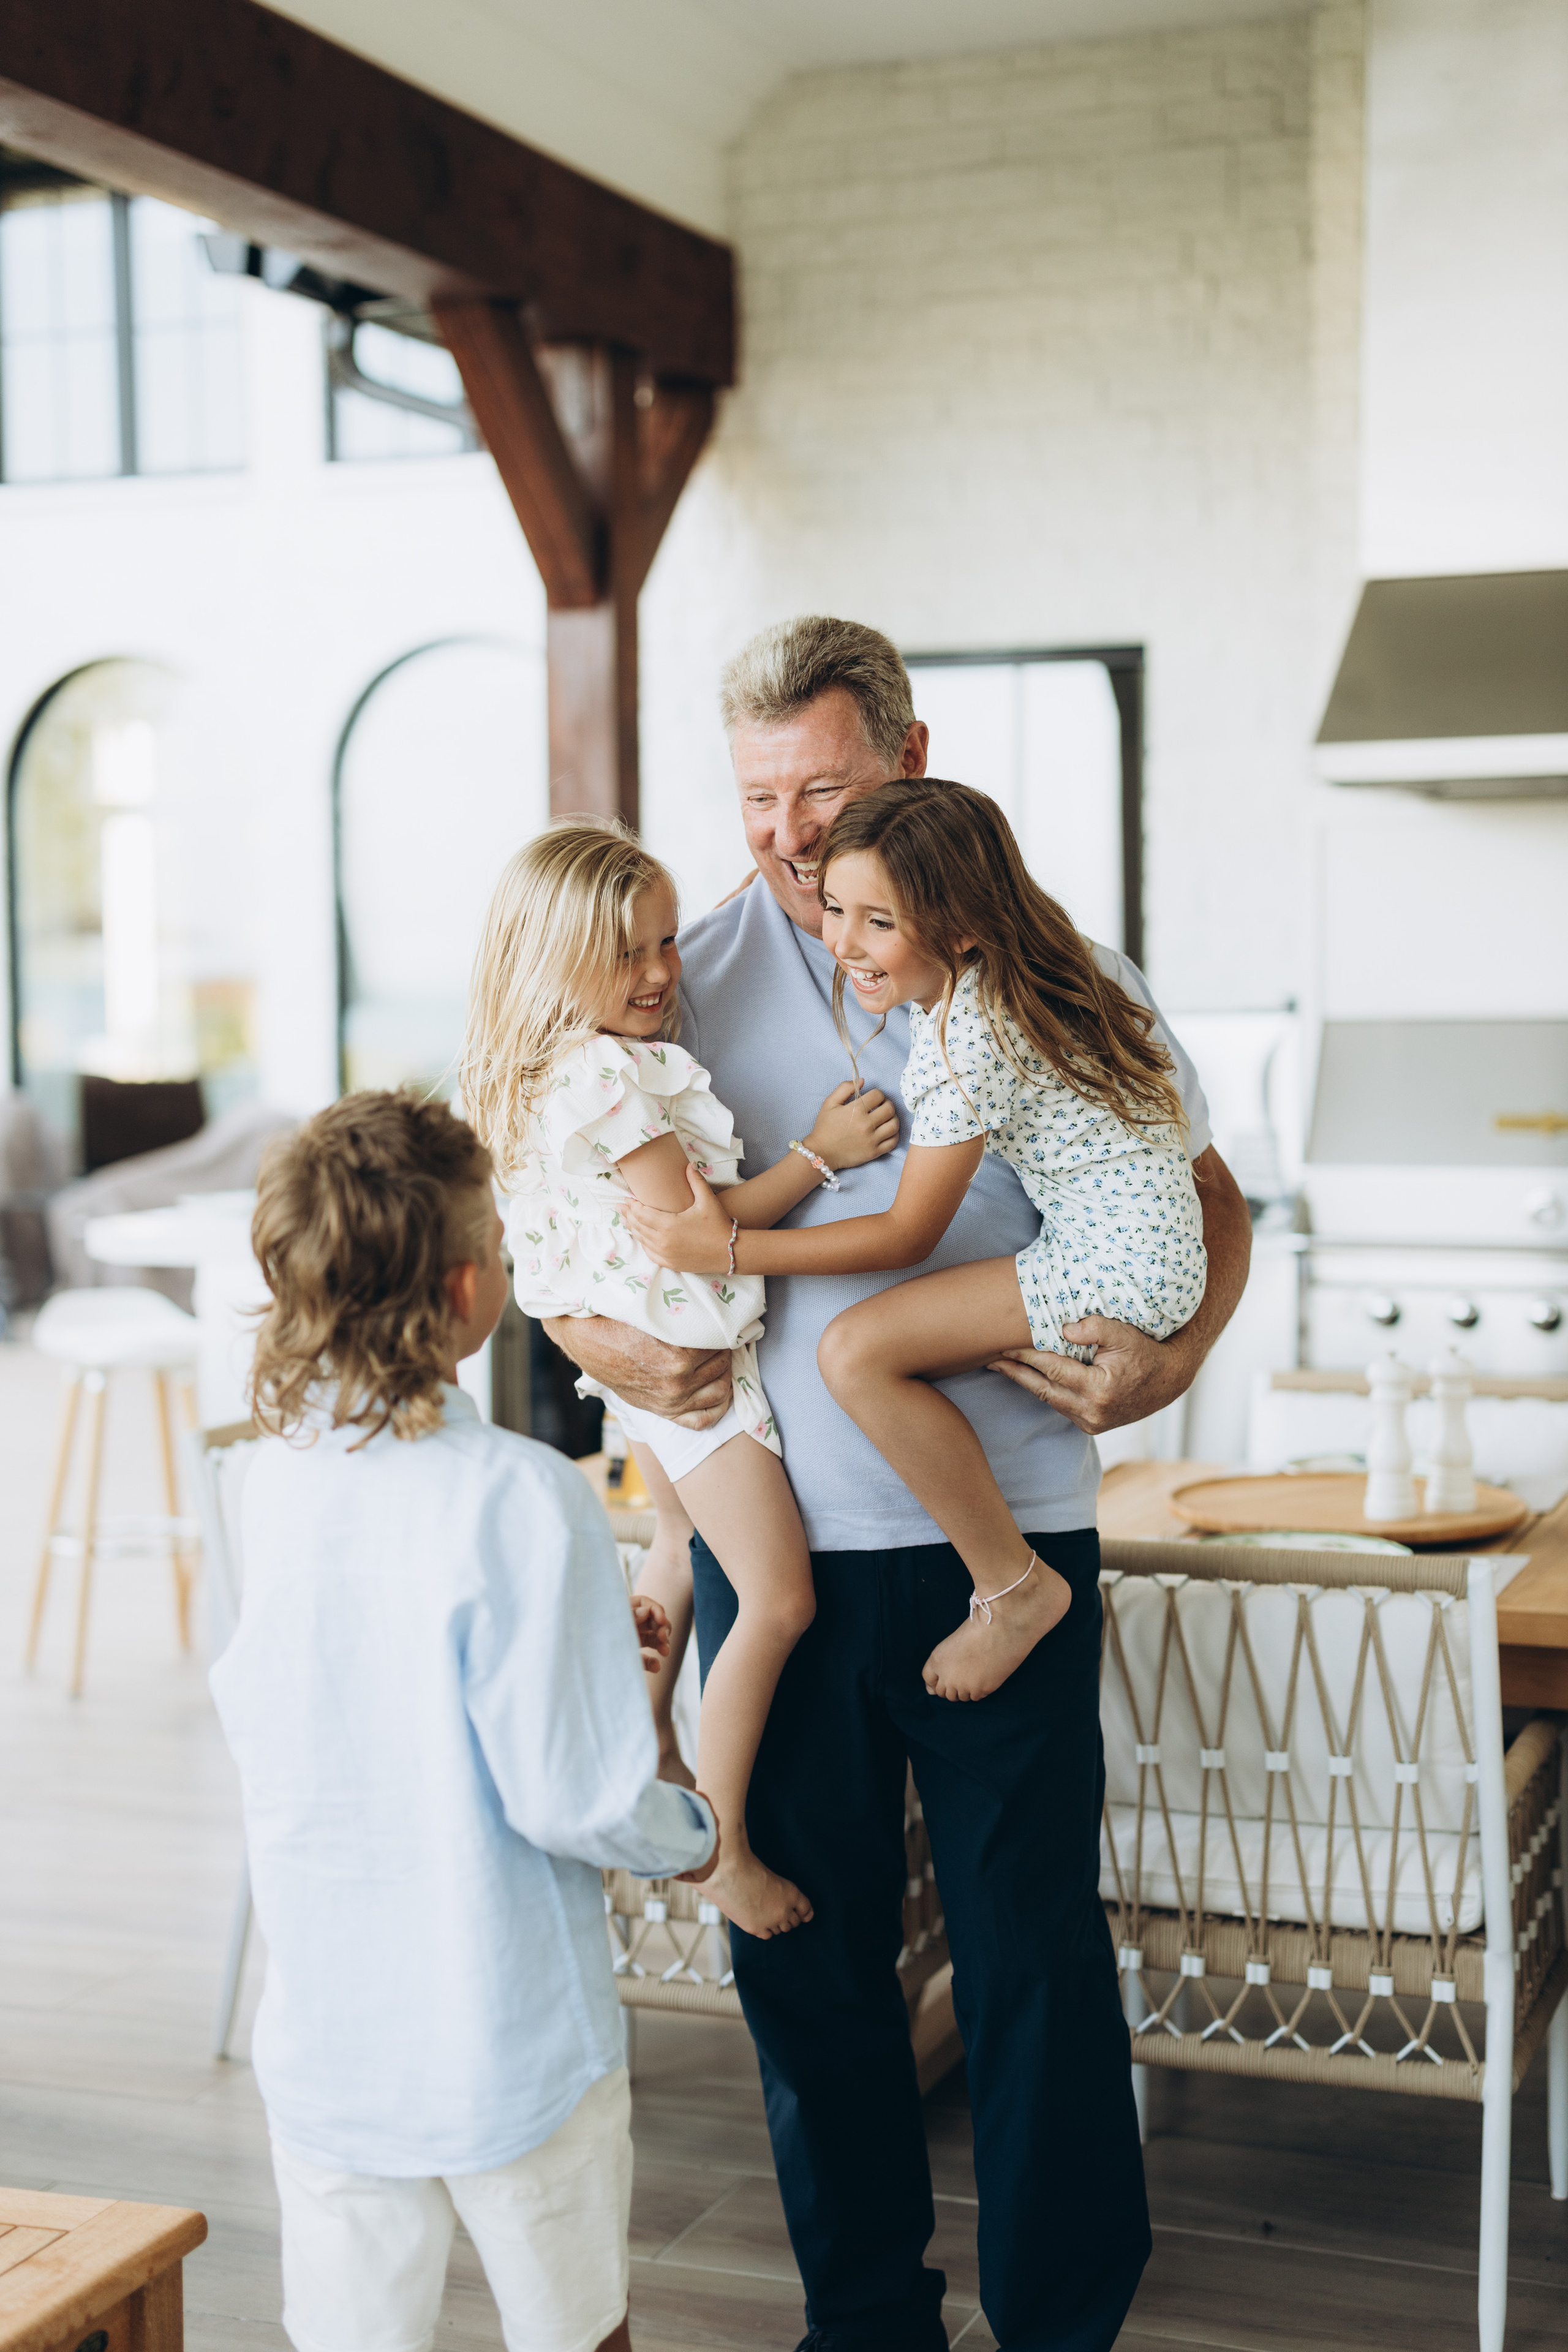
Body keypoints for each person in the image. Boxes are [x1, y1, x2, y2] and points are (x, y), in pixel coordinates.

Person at [540, 617, 1254, 2352]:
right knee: (808, 1958)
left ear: (911, 758)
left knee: (1032, 1958)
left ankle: (1064, 2323)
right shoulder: (664, 980)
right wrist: (593, 1334)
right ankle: (866, 2321)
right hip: (778, 1553)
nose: (790, 828)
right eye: (761, 793)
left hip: (1010, 1535)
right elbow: (539, 1187)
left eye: (829, 786)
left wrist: (1182, 1351)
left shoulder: (1048, 965)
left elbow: (1212, 1201)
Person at [211, 1091, 717, 2352]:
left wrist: (590, 1653)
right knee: (574, 2331)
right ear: (463, 1291)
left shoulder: (259, 1480)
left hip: (328, 2031)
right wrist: (694, 1827)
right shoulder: (518, 1496)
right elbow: (576, 1799)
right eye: (497, 1238)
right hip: (505, 2035)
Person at [622, 778, 1206, 1705]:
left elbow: (905, 1232)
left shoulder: (968, 1034)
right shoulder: (1034, 977)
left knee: (856, 1352)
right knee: (869, 1349)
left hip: (1117, 1266)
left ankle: (1013, 1588)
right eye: (836, 909)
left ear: (961, 926)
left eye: (877, 923)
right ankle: (1009, 1580)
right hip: (1147, 1246)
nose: (842, 942)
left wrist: (726, 1249)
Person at [459, 822, 899, 1939]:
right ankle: (723, 1845)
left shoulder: (529, 1072)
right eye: (628, 952)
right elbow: (702, 1231)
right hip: (691, 1369)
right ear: (556, 957)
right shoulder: (604, 1077)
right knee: (778, 1597)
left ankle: (644, 1750)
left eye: (666, 943)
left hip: (635, 1367)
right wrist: (821, 1154)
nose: (662, 973)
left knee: (673, 1551)